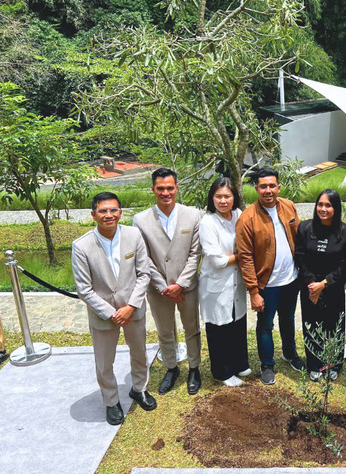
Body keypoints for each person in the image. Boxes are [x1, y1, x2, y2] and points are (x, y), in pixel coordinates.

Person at [72, 192, 157, 425]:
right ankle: (111, 401)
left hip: (134, 309)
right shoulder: (81, 246)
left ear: (120, 212)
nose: (108, 215)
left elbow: (144, 274)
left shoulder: (134, 235)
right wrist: (112, 312)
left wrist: (130, 306)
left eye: (113, 210)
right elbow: (84, 289)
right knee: (104, 361)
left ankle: (139, 388)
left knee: (139, 351)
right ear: (93, 214)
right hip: (103, 315)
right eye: (102, 211)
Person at [133, 168, 203, 395]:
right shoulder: (141, 220)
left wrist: (180, 284)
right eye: (160, 188)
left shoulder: (193, 215)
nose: (166, 193)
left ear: (177, 188)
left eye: (170, 188)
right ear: (153, 189)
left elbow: (195, 253)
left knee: (191, 327)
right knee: (165, 330)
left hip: (187, 286)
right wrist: (164, 287)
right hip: (158, 289)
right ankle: (171, 368)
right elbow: (143, 258)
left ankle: (194, 368)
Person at [236, 168, 304, 385]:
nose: (268, 190)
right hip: (267, 284)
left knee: (288, 318)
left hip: (291, 280)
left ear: (278, 187)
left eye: (272, 186)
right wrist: (253, 292)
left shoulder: (288, 206)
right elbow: (245, 258)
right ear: (256, 188)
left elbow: (298, 237)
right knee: (265, 325)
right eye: (263, 186)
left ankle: (290, 353)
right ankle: (267, 363)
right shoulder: (248, 218)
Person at [198, 177, 251, 387]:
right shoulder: (208, 222)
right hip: (216, 285)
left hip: (237, 282)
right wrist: (242, 256)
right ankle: (222, 371)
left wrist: (235, 256)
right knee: (219, 328)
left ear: (234, 197)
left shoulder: (239, 215)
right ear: (212, 199)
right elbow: (218, 261)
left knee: (237, 323)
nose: (223, 200)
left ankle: (239, 363)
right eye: (218, 196)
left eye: (227, 196)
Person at [295, 189, 346, 382]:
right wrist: (312, 285)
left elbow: (344, 264)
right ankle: (314, 364)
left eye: (328, 205)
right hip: (309, 287)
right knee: (311, 325)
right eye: (320, 204)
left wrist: (324, 284)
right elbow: (300, 258)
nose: (323, 209)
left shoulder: (345, 232)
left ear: (335, 208)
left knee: (335, 325)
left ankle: (334, 363)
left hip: (333, 287)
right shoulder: (304, 228)